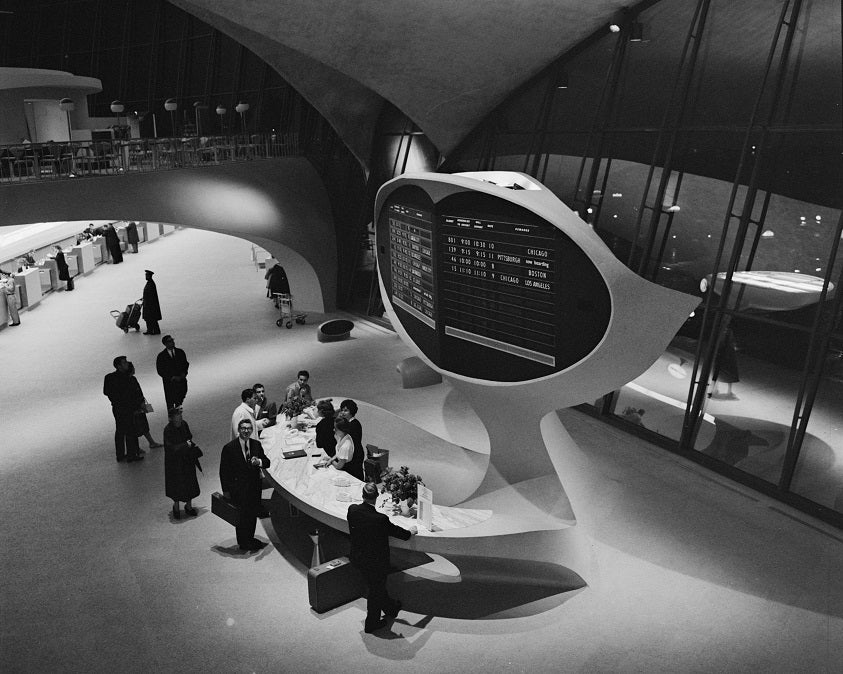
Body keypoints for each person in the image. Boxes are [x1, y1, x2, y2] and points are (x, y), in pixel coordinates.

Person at [347, 482, 416, 633]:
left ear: (362, 495)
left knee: (376, 586)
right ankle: (371, 623)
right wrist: (410, 532)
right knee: (375, 590)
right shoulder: (380, 519)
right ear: (377, 497)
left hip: (358, 557)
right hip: (376, 563)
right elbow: (400, 533)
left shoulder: (352, 510)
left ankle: (391, 608)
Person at [220, 419, 271, 552]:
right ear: (239, 430)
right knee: (241, 516)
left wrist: (258, 462)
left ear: (252, 430)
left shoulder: (256, 445)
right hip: (238, 489)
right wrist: (226, 491)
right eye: (243, 428)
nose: (246, 431)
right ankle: (243, 542)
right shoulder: (229, 448)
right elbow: (224, 472)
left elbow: (267, 462)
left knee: (252, 514)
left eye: (248, 428)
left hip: (254, 488)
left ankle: (250, 539)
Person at [102, 356, 144, 462]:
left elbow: (106, 392)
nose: (127, 364)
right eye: (124, 363)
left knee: (120, 430)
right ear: (119, 366)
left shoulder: (110, 377)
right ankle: (132, 454)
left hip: (119, 407)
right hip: (126, 407)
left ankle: (121, 455)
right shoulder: (128, 378)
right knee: (130, 430)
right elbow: (136, 392)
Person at [164, 406, 201, 520]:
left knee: (190, 483)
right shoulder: (168, 430)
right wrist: (185, 445)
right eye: (177, 420)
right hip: (174, 463)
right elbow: (170, 448)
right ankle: (176, 506)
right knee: (176, 485)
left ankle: (189, 506)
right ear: (171, 419)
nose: (179, 422)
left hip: (186, 459)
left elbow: (189, 437)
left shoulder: (184, 424)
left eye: (180, 418)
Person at [128, 361, 163, 450]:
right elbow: (136, 393)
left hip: (138, 405)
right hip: (136, 406)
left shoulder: (132, 379)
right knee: (139, 426)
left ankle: (145, 444)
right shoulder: (131, 380)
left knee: (141, 425)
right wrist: (141, 402)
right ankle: (146, 444)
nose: (134, 369)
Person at [156, 335, 189, 411]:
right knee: (170, 401)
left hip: (181, 380)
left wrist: (184, 373)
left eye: (172, 340)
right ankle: (173, 415)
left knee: (181, 396)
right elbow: (160, 370)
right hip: (170, 383)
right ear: (165, 344)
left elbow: (185, 364)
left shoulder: (180, 352)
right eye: (170, 341)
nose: (172, 342)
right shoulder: (161, 356)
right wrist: (171, 377)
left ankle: (178, 410)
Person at [142, 269, 162, 335]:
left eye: (146, 275)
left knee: (152, 318)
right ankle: (150, 330)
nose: (145, 276)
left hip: (150, 305)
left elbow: (151, 295)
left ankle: (156, 331)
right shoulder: (149, 283)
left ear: (149, 276)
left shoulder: (151, 284)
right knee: (148, 318)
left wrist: (146, 301)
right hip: (148, 304)